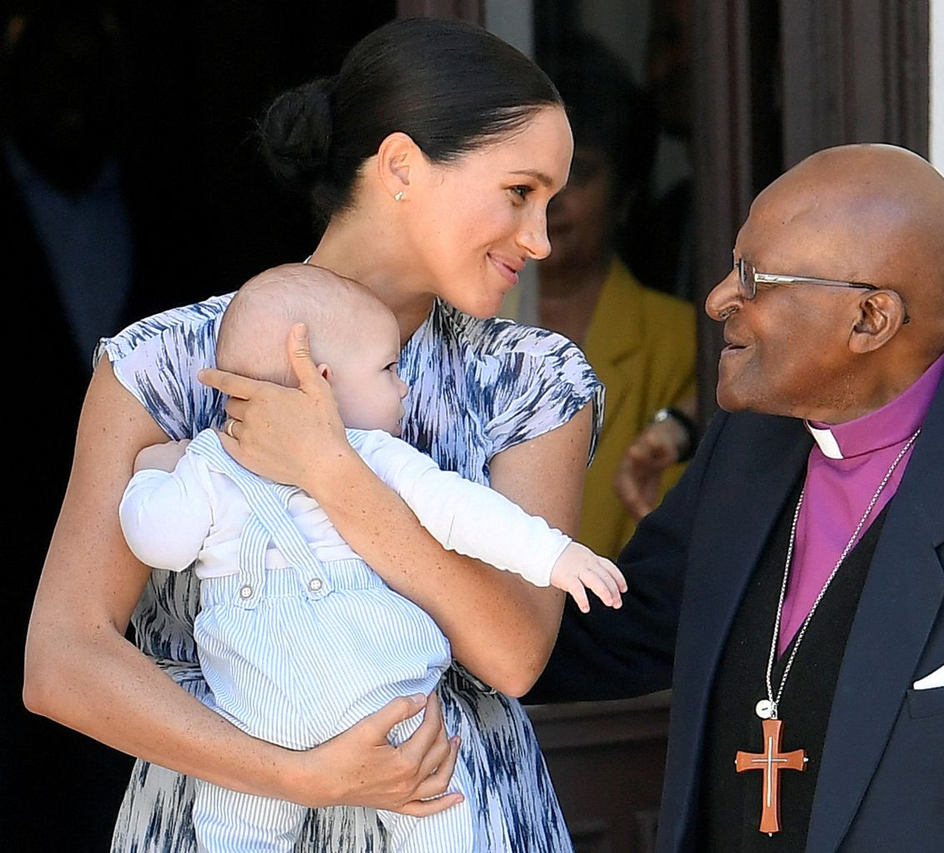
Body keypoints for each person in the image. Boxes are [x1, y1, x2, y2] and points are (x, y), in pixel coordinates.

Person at [25, 17, 597, 852]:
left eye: (550, 201)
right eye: (519, 192)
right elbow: (62, 660)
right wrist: (300, 775)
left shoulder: (536, 379)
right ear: (400, 166)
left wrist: (335, 470)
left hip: (456, 816)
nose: (541, 239)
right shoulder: (165, 363)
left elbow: (513, 653)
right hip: (221, 821)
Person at [529, 143, 944, 851]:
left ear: (870, 319)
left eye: (755, 278)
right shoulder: (747, 449)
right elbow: (622, 626)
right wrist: (421, 609)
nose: (719, 297)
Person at [119, 264, 624, 852]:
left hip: (295, 703)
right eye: (388, 370)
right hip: (312, 708)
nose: (404, 387)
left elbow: (465, 515)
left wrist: (149, 477)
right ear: (323, 380)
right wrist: (555, 555)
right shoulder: (223, 459)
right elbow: (464, 515)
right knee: (434, 815)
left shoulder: (248, 461)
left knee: (258, 826)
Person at [537, 33, 697, 558]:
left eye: (576, 175)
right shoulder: (446, 323)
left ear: (625, 196)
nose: (549, 201)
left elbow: (662, 538)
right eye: (528, 178)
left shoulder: (683, 341)